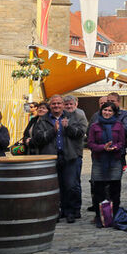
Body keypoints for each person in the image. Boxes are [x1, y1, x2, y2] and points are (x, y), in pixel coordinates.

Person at [27, 95, 86, 223]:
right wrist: (52, 131)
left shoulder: (72, 117)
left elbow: (80, 134)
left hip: (69, 156)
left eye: (59, 103)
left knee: (70, 185)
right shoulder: (42, 120)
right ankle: (57, 211)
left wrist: (67, 128)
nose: (56, 106)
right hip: (51, 157)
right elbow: (37, 139)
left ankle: (71, 212)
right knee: (54, 186)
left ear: (63, 105)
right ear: (50, 106)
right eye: (54, 104)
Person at [87, 102, 126, 223]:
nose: (107, 113)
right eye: (105, 110)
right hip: (99, 160)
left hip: (114, 159)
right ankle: (100, 216)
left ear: (114, 113)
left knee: (115, 189)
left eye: (110, 111)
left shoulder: (119, 125)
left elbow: (122, 142)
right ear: (101, 111)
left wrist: (114, 147)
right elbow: (90, 143)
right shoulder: (94, 126)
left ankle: (114, 214)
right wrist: (103, 147)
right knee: (98, 190)